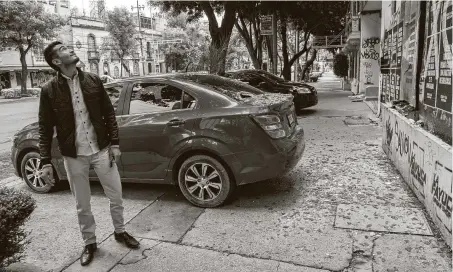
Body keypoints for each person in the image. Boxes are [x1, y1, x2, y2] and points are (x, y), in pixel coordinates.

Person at [39, 41, 139, 266]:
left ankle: (120, 232)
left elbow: (109, 114)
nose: (71, 49)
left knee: (116, 195)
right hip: (74, 156)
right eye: (64, 49)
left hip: (102, 150)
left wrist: (114, 143)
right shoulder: (48, 91)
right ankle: (90, 243)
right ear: (56, 61)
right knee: (82, 204)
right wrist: (45, 160)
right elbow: (44, 127)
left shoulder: (93, 80)